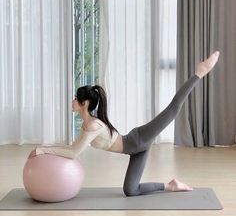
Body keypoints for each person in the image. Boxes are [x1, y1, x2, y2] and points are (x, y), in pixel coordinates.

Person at [28, 51, 220, 196]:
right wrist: (43, 148)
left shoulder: (93, 127)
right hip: (136, 149)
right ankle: (171, 185)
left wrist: (41, 151)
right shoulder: (88, 124)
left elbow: (72, 153)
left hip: (139, 140)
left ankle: (199, 73)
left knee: (173, 109)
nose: (72, 100)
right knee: (131, 191)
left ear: (84, 103)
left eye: (75, 98)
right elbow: (72, 148)